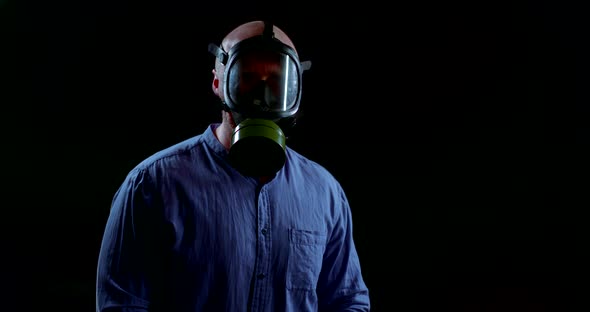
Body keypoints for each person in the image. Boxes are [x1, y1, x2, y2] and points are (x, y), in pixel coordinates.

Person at [95, 19, 371, 311]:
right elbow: (122, 304)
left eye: (276, 80)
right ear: (218, 82)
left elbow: (347, 300)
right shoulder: (152, 185)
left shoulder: (324, 194)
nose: (262, 95)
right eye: (248, 77)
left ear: (295, 91)